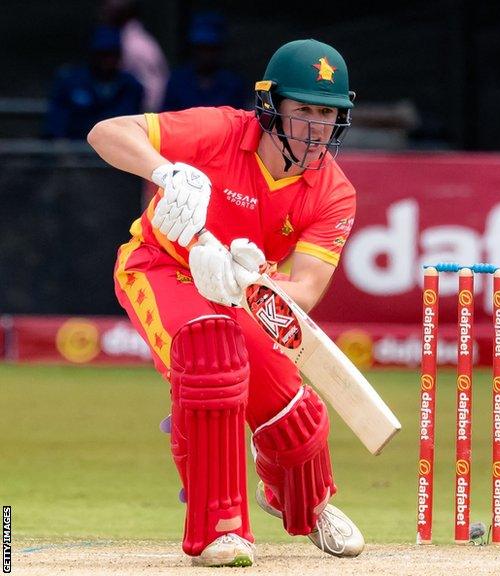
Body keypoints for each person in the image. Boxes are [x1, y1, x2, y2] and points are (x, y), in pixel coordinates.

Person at [88, 39, 360, 567]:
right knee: (211, 356)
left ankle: (305, 501)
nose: (314, 127)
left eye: (326, 113)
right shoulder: (219, 130)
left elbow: (303, 290)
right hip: (162, 266)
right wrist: (165, 171)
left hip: (247, 292)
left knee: (290, 412)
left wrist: (246, 284)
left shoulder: (333, 192)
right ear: (270, 106)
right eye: (302, 109)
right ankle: (222, 527)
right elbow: (106, 132)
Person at [44, 26, 144, 139]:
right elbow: (55, 124)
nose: (107, 60)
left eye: (112, 54)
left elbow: (134, 128)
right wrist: (62, 151)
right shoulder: (70, 82)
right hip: (76, 148)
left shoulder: (131, 85)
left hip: (117, 149)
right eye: (102, 54)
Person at [161, 11, 248, 111]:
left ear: (219, 49)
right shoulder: (177, 81)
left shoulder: (233, 84)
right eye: (201, 48)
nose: (205, 54)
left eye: (210, 48)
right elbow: (165, 118)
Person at [101, 0, 169, 112]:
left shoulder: (136, 44)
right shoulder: (120, 37)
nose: (105, 10)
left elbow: (155, 88)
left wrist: (146, 120)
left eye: (111, 6)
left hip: (144, 115)